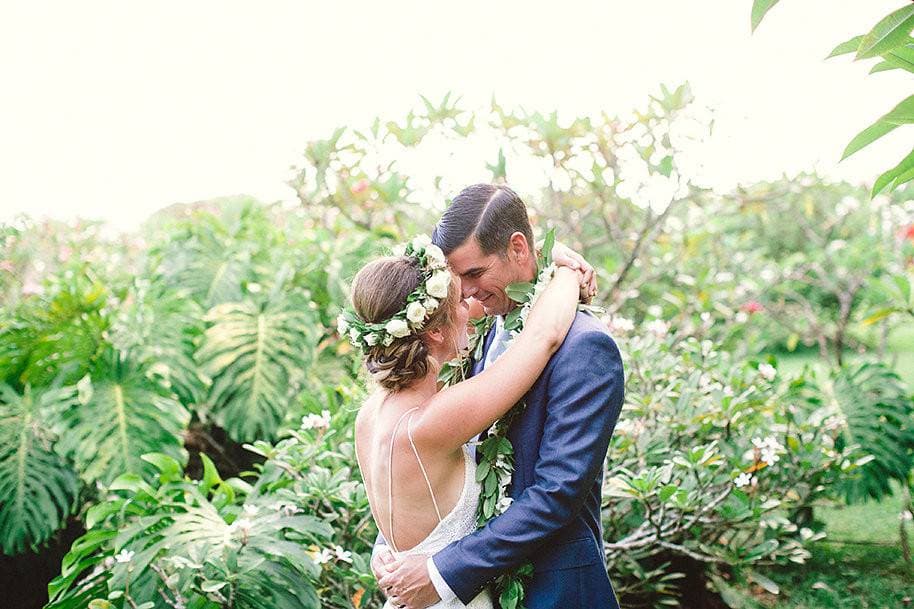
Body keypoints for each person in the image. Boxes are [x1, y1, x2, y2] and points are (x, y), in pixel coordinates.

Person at [374, 184, 625, 609]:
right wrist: (395, 540)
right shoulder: (476, 328)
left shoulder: (585, 347)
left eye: (475, 274)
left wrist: (442, 571)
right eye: (456, 280)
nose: (466, 293)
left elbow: (556, 494)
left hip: (553, 590)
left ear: (518, 248)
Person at [347, 235, 586, 609]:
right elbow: (544, 336)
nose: (471, 306)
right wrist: (570, 271)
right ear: (435, 331)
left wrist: (539, 256)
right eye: (460, 301)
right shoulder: (433, 421)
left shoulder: (370, 416)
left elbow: (404, 518)